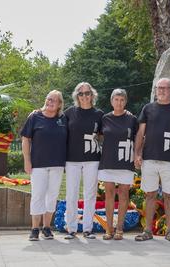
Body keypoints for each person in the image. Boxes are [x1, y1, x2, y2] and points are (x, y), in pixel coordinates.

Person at [134, 77, 170, 242]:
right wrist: (137, 153)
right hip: (149, 159)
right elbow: (140, 133)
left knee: (169, 195)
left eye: (165, 88)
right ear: (156, 90)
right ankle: (148, 230)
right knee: (150, 195)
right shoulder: (148, 108)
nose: (162, 91)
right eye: (159, 88)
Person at [21, 90, 67, 241]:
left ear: (60, 104)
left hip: (57, 165)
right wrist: (27, 160)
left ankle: (47, 227)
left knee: (52, 196)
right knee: (38, 195)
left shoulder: (63, 119)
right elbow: (25, 139)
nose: (50, 102)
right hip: (38, 164)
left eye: (54, 100)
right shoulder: (34, 116)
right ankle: (34, 229)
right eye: (48, 99)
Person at [63, 82, 104, 240]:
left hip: (92, 159)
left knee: (90, 194)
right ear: (77, 96)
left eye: (87, 93)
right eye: (81, 94)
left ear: (92, 95)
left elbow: (102, 134)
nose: (85, 96)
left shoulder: (99, 114)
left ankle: (88, 229)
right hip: (72, 159)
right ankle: (71, 229)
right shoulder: (69, 113)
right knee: (71, 194)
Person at [98, 89, 138, 240]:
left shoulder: (132, 119)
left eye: (122, 100)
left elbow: (138, 138)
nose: (119, 102)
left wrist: (137, 155)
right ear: (111, 101)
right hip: (108, 160)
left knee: (123, 194)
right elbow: (99, 137)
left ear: (125, 102)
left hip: (125, 161)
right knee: (108, 194)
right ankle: (108, 228)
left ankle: (119, 228)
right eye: (116, 99)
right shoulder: (105, 118)